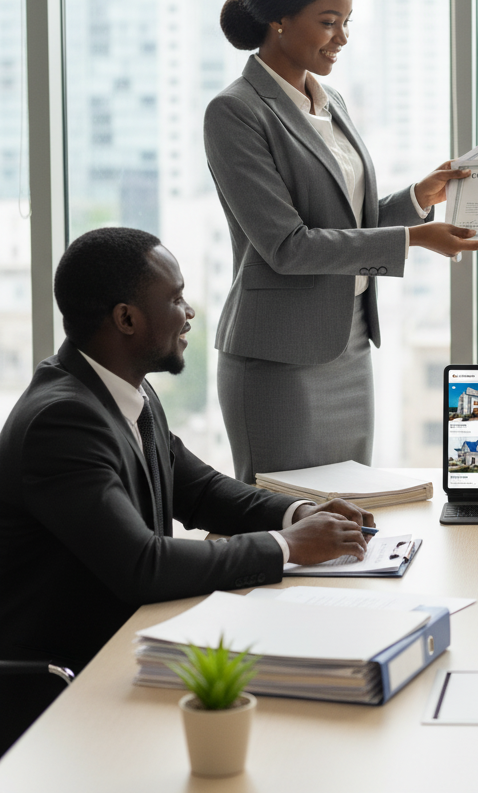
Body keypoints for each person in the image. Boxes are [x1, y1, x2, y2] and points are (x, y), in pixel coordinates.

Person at [0, 228, 378, 753]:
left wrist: (298, 513)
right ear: (126, 319)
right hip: (72, 685)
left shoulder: (123, 391)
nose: (190, 312)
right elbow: (142, 566)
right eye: (176, 298)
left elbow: (199, 490)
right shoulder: (62, 420)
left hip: (133, 644)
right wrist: (288, 547)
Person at [207, 0, 478, 483]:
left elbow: (345, 222)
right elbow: (288, 246)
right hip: (278, 360)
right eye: (328, 22)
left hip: (350, 342)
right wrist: (414, 239)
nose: (342, 38)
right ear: (280, 20)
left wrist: (417, 199)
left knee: (352, 510)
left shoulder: (331, 101)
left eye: (346, 22)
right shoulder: (235, 112)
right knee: (289, 515)